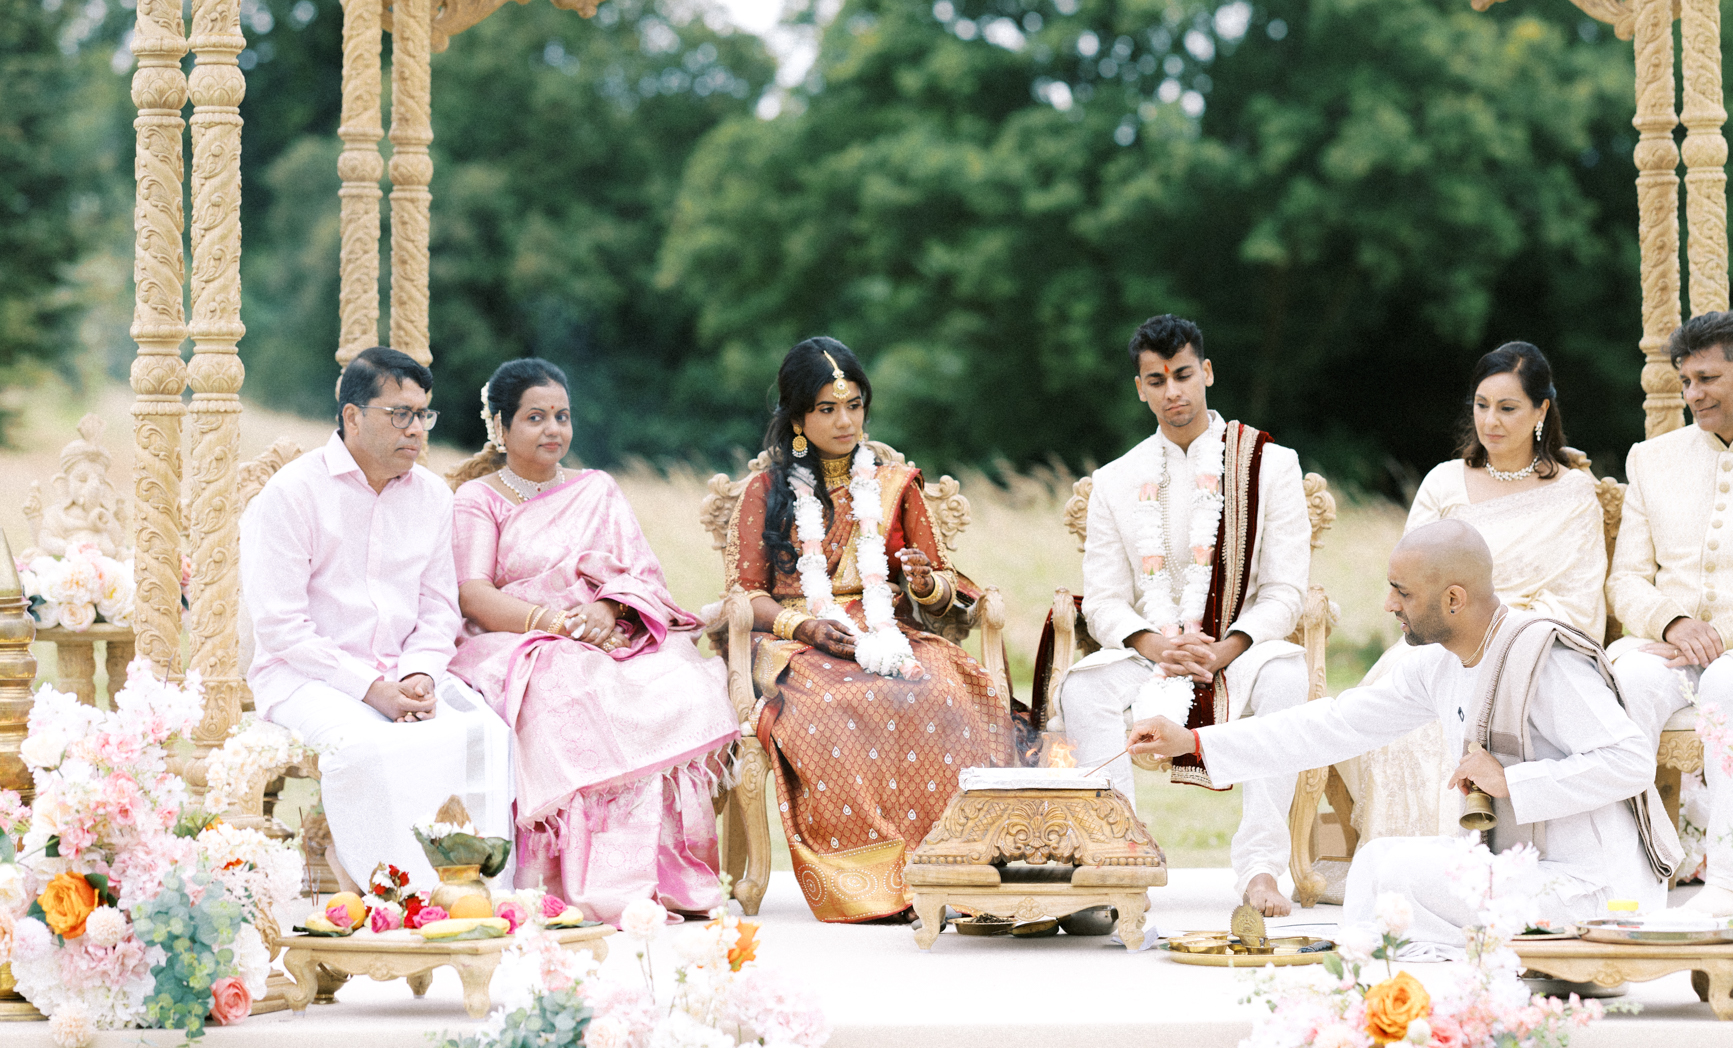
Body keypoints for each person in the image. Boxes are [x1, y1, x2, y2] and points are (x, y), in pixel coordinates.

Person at [1128, 521, 1679, 950]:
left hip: (1599, 892)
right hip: (1526, 871)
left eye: (1402, 593)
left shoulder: (1545, 658)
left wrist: (1512, 781)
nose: (1389, 605)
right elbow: (1332, 725)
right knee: (1382, 863)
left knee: (1386, 874)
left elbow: (1630, 761)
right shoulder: (1440, 664)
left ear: (1454, 600)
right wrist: (1195, 742)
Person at [727, 337, 1016, 923]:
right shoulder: (767, 490)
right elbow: (745, 593)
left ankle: (955, 865)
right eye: (828, 409)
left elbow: (939, 586)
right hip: (797, 637)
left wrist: (923, 582)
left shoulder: (894, 484)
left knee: (944, 692)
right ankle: (873, 883)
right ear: (799, 418)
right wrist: (803, 624)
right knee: (831, 708)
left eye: (855, 405)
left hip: (888, 629)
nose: (845, 420)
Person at [446, 359, 736, 921]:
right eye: (535, 417)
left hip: (609, 631)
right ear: (500, 428)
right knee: (569, 686)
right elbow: (473, 594)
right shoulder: (478, 500)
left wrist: (607, 607)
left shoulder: (596, 490)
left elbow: (643, 575)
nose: (553, 428)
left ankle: (662, 878)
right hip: (519, 636)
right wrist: (554, 623)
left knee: (679, 677)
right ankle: (583, 881)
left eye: (562, 415)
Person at [1055, 314, 1312, 917]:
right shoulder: (1115, 481)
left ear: (1208, 374)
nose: (1173, 391)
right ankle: (1120, 859)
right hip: (1153, 657)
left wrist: (1228, 648)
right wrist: (1153, 646)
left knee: (1288, 680)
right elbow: (1103, 600)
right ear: (1139, 387)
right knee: (1084, 687)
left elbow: (1284, 591)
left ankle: (1260, 871)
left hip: (1243, 651)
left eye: (1184, 375)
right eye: (1157, 379)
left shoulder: (1269, 466)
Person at [243, 347, 516, 890]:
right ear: (352, 416)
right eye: (400, 414)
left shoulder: (433, 496)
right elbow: (280, 627)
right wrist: (371, 688)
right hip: (303, 676)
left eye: (423, 415)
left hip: (402, 671)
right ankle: (387, 895)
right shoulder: (292, 494)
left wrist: (418, 673)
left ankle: (474, 896)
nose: (416, 430)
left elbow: (439, 608)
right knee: (369, 746)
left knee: (487, 732)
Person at [1340, 342, 1609, 846]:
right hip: (1443, 640)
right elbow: (1410, 580)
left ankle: (1478, 866)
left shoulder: (1573, 493)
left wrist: (1498, 639)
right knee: (1399, 710)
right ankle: (1412, 866)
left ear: (1541, 410)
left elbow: (1577, 596)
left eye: (1508, 408)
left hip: (1530, 644)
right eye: (1481, 406)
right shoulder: (1445, 482)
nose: (1491, 421)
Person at [1606, 310, 1733, 898]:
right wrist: (1674, 621)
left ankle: (1730, 890)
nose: (1692, 394)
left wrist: (1729, 630)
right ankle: (1630, 875)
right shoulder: (1651, 459)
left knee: (1726, 688)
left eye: (1706, 379)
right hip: (1668, 643)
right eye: (1686, 381)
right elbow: (1626, 581)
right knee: (1626, 680)